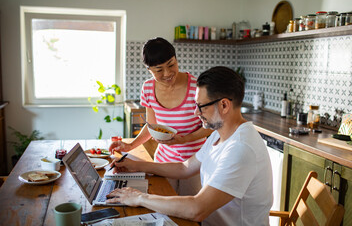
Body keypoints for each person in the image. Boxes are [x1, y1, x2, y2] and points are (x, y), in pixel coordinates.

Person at [107, 66, 273, 226]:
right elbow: (184, 168)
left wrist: (139, 198)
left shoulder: (241, 148)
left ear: (224, 105)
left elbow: (197, 208)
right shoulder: (219, 134)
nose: (196, 112)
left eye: (200, 106)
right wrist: (135, 165)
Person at [109, 37, 212, 195]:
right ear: (149, 70)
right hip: (164, 162)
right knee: (164, 209)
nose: (168, 73)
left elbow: (210, 127)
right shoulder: (148, 88)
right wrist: (130, 146)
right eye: (159, 70)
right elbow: (152, 127)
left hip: (194, 164)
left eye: (171, 65)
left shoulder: (196, 87)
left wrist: (184, 139)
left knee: (190, 214)